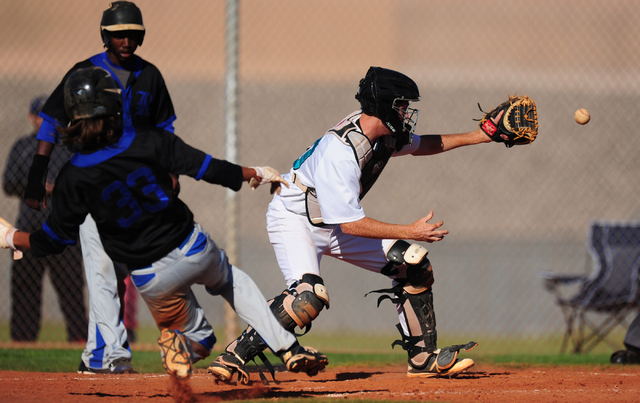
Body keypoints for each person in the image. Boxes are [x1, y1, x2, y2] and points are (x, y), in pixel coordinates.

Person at [0, 66, 328, 381]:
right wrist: (254, 172)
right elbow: (209, 169)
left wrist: (12, 237)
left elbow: (51, 240)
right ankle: (288, 347)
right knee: (231, 281)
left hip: (149, 278)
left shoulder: (72, 177)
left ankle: (181, 344)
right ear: (115, 107)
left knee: (201, 337)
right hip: (191, 246)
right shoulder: (148, 140)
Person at [208, 66, 509, 381]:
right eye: (402, 105)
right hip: (295, 219)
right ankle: (234, 356)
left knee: (413, 264)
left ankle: (423, 358)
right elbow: (352, 226)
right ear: (384, 106)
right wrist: (409, 231)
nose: (406, 113)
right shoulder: (342, 152)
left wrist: (482, 135)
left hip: (331, 220)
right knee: (308, 298)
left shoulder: (381, 133)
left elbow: (425, 145)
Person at [23, 1, 175, 373]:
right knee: (104, 269)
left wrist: (170, 171)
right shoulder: (85, 71)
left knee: (119, 272)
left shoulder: (149, 76)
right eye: (118, 34)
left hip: (132, 190)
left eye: (132, 34)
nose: (125, 39)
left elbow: (164, 129)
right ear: (105, 36)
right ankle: (113, 355)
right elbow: (50, 121)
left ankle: (94, 355)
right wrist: (36, 174)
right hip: (93, 182)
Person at [2, 95, 88, 343]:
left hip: (64, 230)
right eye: (40, 115)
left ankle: (80, 341)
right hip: (29, 228)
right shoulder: (22, 147)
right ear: (31, 118)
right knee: (25, 289)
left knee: (72, 290)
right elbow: (8, 183)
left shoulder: (70, 147)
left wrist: (58, 187)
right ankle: (23, 342)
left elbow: (83, 181)